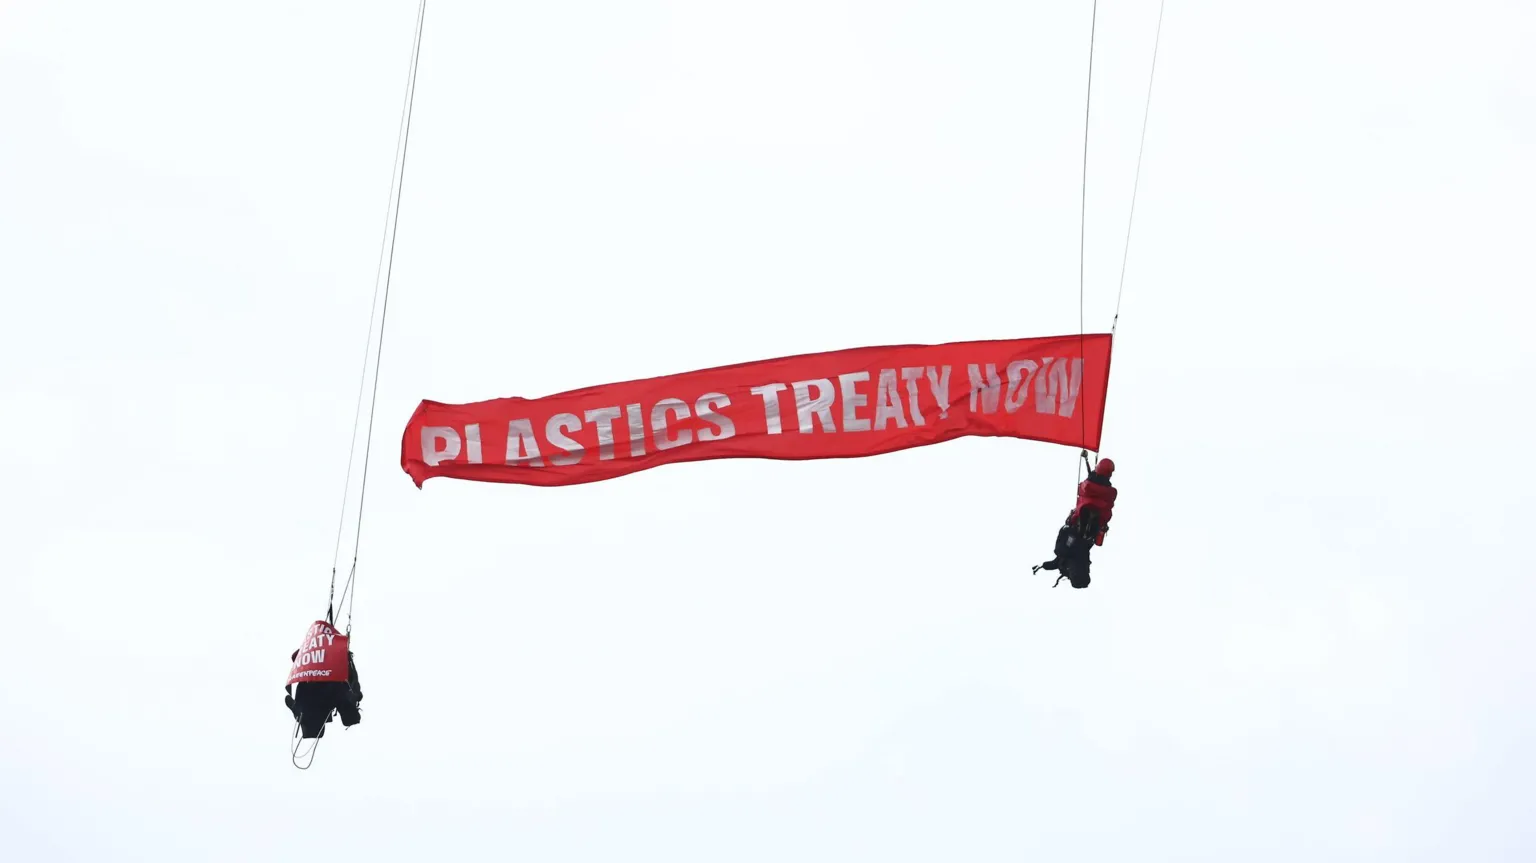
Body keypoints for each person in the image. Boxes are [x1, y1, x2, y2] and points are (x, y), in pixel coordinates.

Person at [1032, 454, 1117, 589]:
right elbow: (1106, 510)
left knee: (1078, 537)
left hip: (1080, 531)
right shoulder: (1110, 492)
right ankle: (1088, 527)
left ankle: (1087, 527)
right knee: (1077, 537)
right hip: (1080, 533)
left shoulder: (1089, 485)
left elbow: (1083, 489)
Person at [285, 649, 363, 739]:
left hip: (321, 687)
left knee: (343, 705)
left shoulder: (304, 698)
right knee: (343, 702)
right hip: (327, 686)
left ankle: (348, 713)